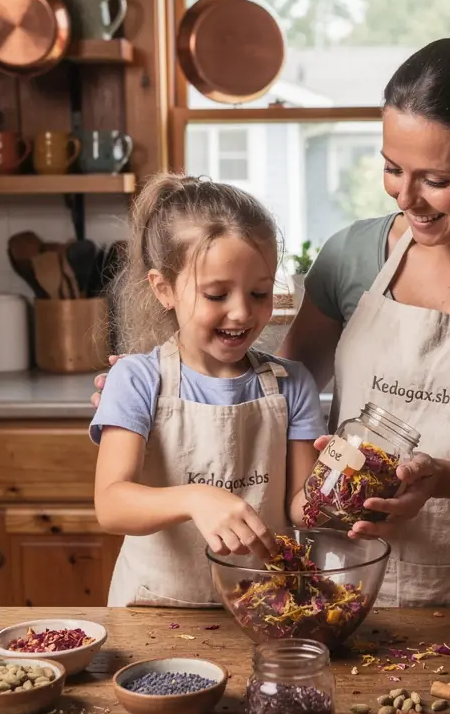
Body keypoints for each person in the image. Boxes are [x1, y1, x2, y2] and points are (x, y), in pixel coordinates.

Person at [95, 38, 450, 606]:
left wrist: (443, 476)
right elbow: (281, 382)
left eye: (436, 180)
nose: (407, 198)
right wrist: (161, 379)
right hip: (351, 575)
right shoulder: (352, 255)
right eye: (393, 169)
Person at [90, 174, 326, 607]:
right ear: (164, 290)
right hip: (154, 609)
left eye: (260, 292)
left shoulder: (293, 384)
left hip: (262, 610)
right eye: (217, 294)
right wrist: (197, 497)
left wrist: (341, 487)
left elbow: (299, 509)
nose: (242, 312)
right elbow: (111, 503)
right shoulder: (138, 379)